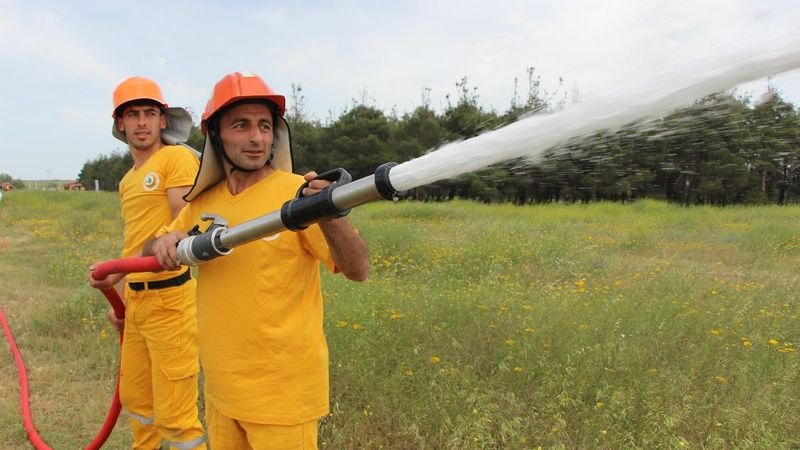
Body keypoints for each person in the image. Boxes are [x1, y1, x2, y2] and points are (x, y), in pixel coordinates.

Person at [147, 72, 370, 449]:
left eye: (265, 126)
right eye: (242, 125)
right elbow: (160, 244)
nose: (257, 138)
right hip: (221, 391)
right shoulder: (203, 202)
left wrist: (331, 213)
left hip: (282, 396)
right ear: (215, 134)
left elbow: (358, 269)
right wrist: (166, 240)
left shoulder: (296, 195)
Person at [89, 76, 206, 449]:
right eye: (133, 114)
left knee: (177, 418)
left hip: (170, 301)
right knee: (139, 405)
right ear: (120, 123)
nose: (142, 122)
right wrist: (121, 297)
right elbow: (133, 243)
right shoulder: (128, 180)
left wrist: (123, 270)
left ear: (162, 121)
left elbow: (184, 222)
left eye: (149, 113)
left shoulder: (175, 158)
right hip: (137, 302)